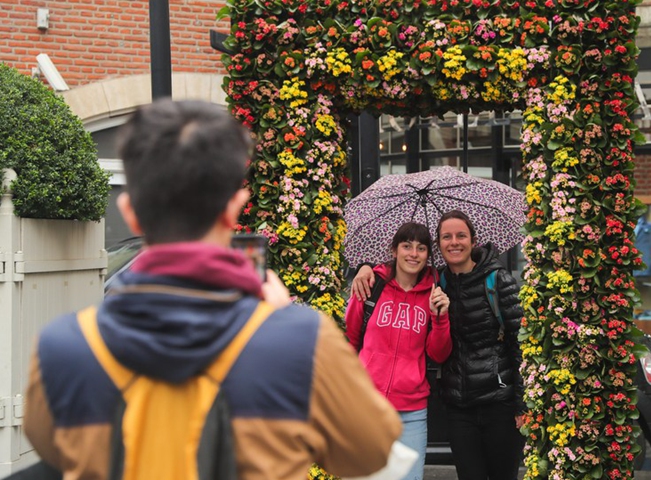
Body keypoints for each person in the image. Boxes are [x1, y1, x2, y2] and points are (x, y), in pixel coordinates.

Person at [22, 99, 403, 480]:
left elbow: (52, 449)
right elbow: (370, 454)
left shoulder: (63, 347)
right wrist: (282, 318)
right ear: (234, 207)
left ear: (130, 211)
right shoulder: (302, 341)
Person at [352, 210, 525, 480]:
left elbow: (518, 343)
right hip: (457, 404)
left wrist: (521, 404)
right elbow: (352, 337)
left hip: (497, 401)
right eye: (446, 237)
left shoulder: (492, 280)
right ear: (440, 245)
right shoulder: (433, 281)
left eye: (461, 236)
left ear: (473, 241)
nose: (454, 242)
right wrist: (365, 266)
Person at [344, 222, 452, 480]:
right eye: (406, 246)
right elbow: (350, 339)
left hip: (411, 412)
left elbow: (439, 354)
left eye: (421, 248)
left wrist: (440, 319)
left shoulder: (434, 294)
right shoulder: (371, 286)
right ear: (394, 250)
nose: (413, 254)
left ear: (428, 255)